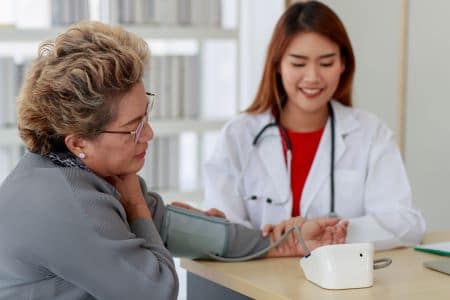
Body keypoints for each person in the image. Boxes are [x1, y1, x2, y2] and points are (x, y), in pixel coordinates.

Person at [0, 21, 347, 300]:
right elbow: (158, 291)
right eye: (133, 129)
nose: (148, 135)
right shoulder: (67, 201)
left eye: (146, 116)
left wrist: (283, 242)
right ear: (79, 142)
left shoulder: (77, 169)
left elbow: (166, 225)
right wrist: (136, 204)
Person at [203, 0, 426, 251]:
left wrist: (335, 233)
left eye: (326, 63)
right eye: (298, 63)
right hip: (255, 285)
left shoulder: (371, 134)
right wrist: (277, 242)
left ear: (343, 64)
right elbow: (219, 230)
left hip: (340, 285)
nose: (312, 77)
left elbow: (407, 225)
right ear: (277, 65)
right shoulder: (238, 136)